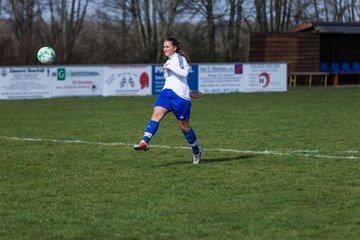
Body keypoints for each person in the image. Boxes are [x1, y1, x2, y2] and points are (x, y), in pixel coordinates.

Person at [134, 37, 202, 164]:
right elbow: (172, 81)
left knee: (184, 127)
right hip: (167, 93)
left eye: (167, 46)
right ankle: (144, 141)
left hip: (181, 97)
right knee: (155, 115)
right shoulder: (167, 62)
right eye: (164, 47)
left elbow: (184, 74)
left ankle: (196, 150)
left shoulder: (180, 59)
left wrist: (188, 92)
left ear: (174, 48)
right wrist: (167, 67)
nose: (165, 49)